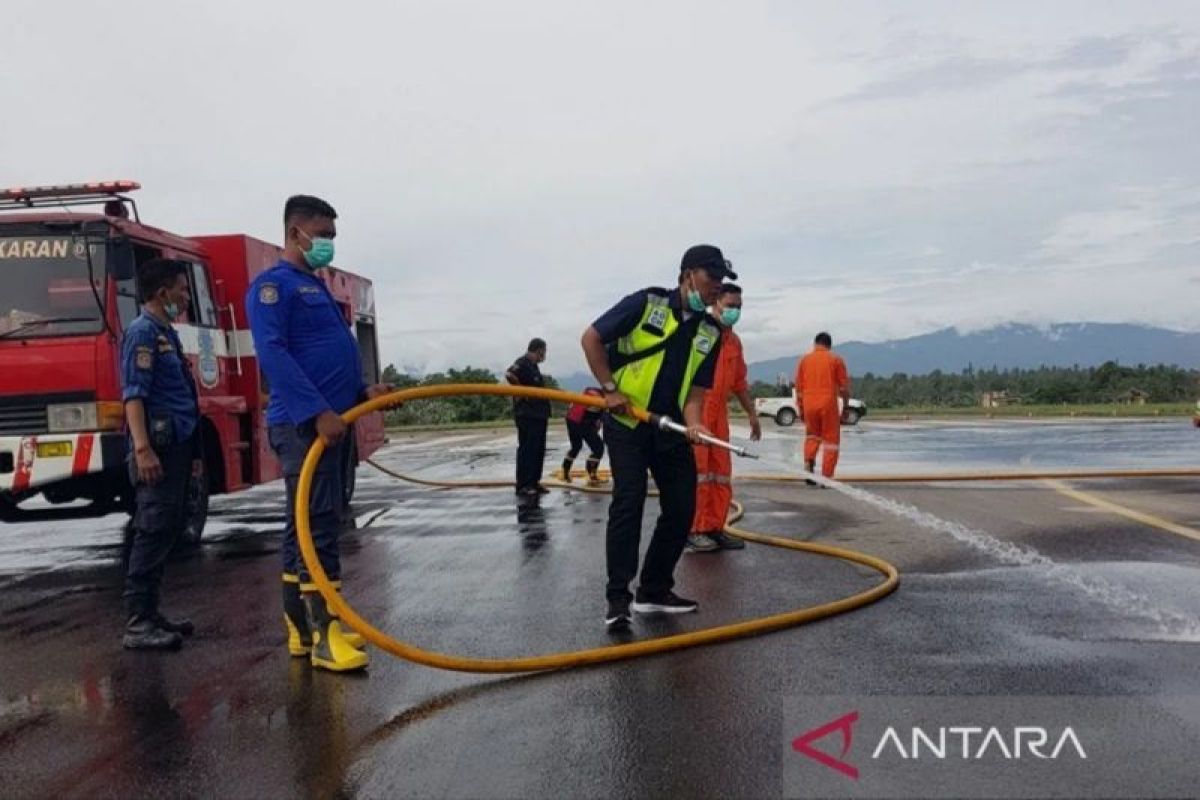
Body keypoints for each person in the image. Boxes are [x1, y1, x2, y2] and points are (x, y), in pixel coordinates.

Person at [246, 194, 390, 673]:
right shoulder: (273, 288)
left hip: (332, 419)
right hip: (305, 426)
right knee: (318, 525)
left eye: (331, 237)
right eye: (322, 235)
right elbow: (274, 354)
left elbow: (324, 355)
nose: (328, 244)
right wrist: (316, 413)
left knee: (305, 524)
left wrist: (362, 391)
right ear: (295, 233)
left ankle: (304, 628)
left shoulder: (315, 284)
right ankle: (325, 632)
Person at [581, 243, 733, 630]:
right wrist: (610, 388)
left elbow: (695, 395)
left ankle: (654, 589)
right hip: (629, 423)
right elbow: (591, 338)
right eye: (712, 277)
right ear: (688, 275)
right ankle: (618, 599)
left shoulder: (710, 333)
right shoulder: (647, 305)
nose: (718, 286)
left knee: (682, 508)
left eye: (721, 279)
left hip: (670, 430)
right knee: (628, 503)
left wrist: (695, 424)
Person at [120, 258, 200, 650]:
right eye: (182, 290)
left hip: (177, 443)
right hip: (157, 448)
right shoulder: (142, 333)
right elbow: (134, 395)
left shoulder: (165, 331)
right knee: (152, 527)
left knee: (168, 525)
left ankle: (151, 613)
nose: (185, 297)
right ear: (162, 292)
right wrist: (142, 449)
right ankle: (138, 621)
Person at [687, 284, 762, 553]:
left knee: (720, 473)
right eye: (731, 306)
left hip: (719, 413)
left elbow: (739, 383)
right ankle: (694, 528)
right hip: (697, 409)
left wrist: (752, 414)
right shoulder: (700, 332)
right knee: (698, 474)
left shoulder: (734, 341)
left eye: (739, 307)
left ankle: (715, 527)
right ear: (716, 302)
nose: (735, 311)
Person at [795, 332, 851, 481]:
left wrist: (801, 409)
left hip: (809, 404)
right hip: (828, 404)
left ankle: (808, 464)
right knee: (831, 441)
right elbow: (844, 388)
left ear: (815, 344)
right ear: (829, 345)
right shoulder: (836, 360)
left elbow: (799, 389)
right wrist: (845, 407)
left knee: (812, 436)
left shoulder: (804, 361)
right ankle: (826, 477)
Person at [505, 338, 551, 496]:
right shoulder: (523, 362)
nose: (544, 355)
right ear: (539, 350)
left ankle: (534, 482)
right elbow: (509, 374)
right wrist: (522, 393)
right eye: (544, 351)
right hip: (528, 414)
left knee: (538, 449)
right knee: (528, 449)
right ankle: (524, 484)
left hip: (539, 415)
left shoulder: (534, 367)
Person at [560, 386, 605, 484]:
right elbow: (598, 419)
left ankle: (564, 472)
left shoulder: (590, 392)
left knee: (576, 447)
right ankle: (591, 475)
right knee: (598, 448)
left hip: (571, 419)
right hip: (580, 421)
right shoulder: (600, 398)